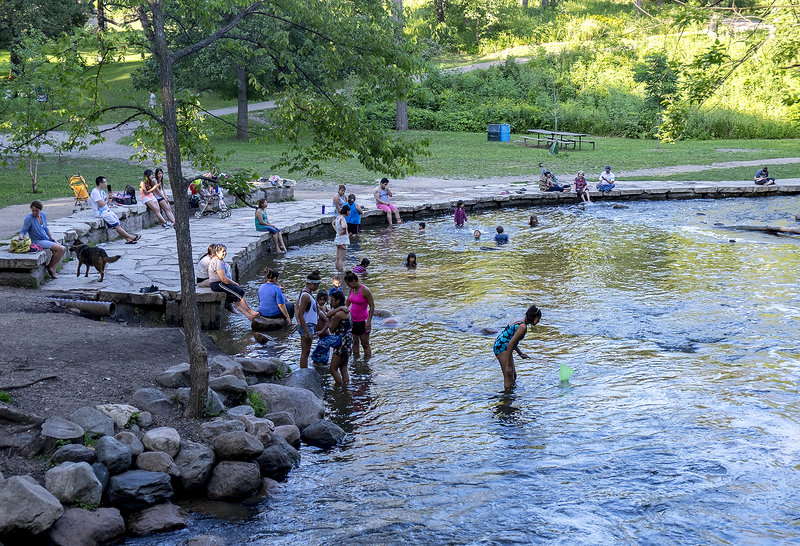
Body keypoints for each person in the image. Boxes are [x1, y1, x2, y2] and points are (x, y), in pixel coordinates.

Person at [493, 305, 541, 391]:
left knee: (513, 376)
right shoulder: (523, 327)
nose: (538, 321)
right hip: (501, 347)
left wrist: (520, 353)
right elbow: (510, 345)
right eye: (538, 318)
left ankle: (510, 396)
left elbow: (511, 340)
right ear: (533, 317)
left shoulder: (521, 320)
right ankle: (506, 401)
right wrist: (508, 365)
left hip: (502, 345)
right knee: (509, 376)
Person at [208, 244, 260, 320]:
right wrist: (234, 283)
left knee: (236, 300)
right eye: (223, 251)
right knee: (241, 293)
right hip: (218, 284)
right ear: (217, 252)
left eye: (225, 251)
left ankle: (249, 316)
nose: (224, 253)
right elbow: (223, 279)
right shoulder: (217, 262)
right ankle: (250, 311)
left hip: (220, 283)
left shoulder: (219, 260)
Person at [18, 200, 66, 279]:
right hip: (37, 241)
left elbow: (46, 228)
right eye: (33, 211)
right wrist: (21, 236)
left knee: (63, 248)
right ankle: (50, 268)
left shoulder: (43, 215)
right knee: (61, 249)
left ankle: (52, 268)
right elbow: (23, 230)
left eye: (37, 211)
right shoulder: (29, 218)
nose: (34, 212)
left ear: (40, 210)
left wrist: (51, 237)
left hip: (46, 238)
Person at [91, 177, 140, 244]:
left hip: (106, 210)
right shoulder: (95, 192)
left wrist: (110, 197)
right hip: (100, 213)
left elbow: (106, 204)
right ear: (100, 183)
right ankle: (131, 237)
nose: (106, 183)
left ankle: (128, 239)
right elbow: (101, 204)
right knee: (116, 225)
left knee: (117, 223)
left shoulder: (102, 191)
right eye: (105, 182)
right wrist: (107, 200)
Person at [345, 270, 374, 361]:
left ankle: (367, 363)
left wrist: (369, 321)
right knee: (355, 342)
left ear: (354, 281)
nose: (348, 286)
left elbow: (372, 306)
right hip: (352, 320)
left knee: (365, 344)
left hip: (363, 321)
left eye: (349, 284)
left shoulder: (365, 290)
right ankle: (356, 362)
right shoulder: (352, 290)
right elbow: (347, 303)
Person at [296, 270, 322, 368]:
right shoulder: (306, 296)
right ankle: (304, 371)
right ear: (310, 284)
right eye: (316, 285)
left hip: (307, 325)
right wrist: (306, 331)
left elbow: (297, 308)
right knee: (305, 352)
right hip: (307, 325)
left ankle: (304, 369)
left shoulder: (306, 293)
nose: (317, 287)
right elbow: (300, 313)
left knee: (306, 352)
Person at [327, 290, 353, 386]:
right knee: (343, 368)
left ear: (338, 301)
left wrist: (329, 321)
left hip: (341, 343)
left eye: (333, 300)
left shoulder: (339, 314)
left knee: (333, 369)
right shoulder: (346, 310)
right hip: (348, 342)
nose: (331, 302)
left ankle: (340, 388)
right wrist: (341, 307)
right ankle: (346, 388)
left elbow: (332, 329)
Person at [311, 291, 336, 365]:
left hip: (325, 335)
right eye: (320, 299)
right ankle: (322, 367)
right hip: (322, 335)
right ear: (317, 299)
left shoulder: (322, 308)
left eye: (324, 300)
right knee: (322, 352)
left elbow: (327, 319)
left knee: (319, 354)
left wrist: (322, 330)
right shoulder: (318, 308)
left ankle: (321, 367)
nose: (322, 301)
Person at [333, 204, 350, 272]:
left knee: (337, 258)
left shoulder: (338, 217)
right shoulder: (343, 219)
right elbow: (343, 226)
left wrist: (337, 231)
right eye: (349, 211)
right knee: (341, 259)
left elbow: (333, 223)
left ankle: (337, 271)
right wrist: (344, 231)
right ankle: (341, 273)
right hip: (342, 240)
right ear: (347, 211)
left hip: (338, 239)